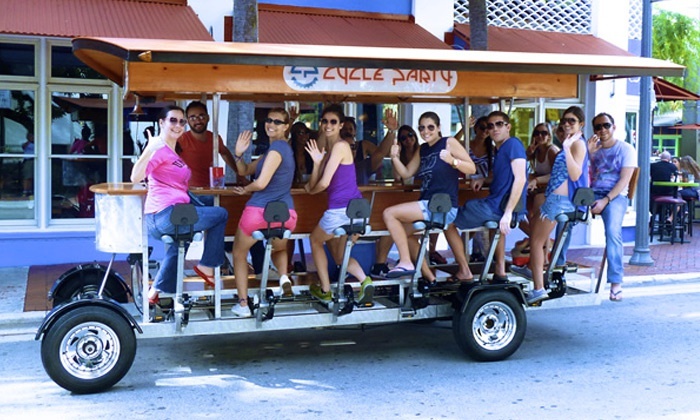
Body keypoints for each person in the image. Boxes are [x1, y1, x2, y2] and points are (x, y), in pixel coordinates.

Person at [130, 105, 228, 304]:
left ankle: (156, 289)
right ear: (161, 123)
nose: (178, 125)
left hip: (169, 215)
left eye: (182, 121)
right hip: (166, 215)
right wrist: (149, 147)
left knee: (182, 240)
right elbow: (135, 177)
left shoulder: (173, 153)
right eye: (173, 120)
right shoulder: (159, 150)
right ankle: (208, 265)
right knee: (221, 214)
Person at [383, 111, 475, 284]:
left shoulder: (448, 143)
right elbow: (406, 173)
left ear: (439, 127)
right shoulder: (423, 149)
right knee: (404, 232)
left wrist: (453, 162)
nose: (426, 131)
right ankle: (429, 276)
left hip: (441, 206)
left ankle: (405, 262)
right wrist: (394, 157)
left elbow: (472, 168)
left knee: (389, 213)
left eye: (430, 127)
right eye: (422, 128)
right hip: (428, 204)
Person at [228, 108, 297, 317]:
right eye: (269, 120)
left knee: (239, 254)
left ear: (286, 127)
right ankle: (284, 276)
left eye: (277, 122)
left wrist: (245, 190)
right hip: (286, 216)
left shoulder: (276, 149)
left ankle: (242, 305)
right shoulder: (275, 150)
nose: (271, 124)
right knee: (279, 249)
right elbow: (244, 170)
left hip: (258, 213)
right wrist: (238, 154)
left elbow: (260, 183)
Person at [304, 104, 374, 304]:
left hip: (342, 209)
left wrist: (313, 188)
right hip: (353, 209)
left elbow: (321, 185)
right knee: (339, 256)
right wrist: (317, 164)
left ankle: (325, 289)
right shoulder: (328, 152)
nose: (328, 125)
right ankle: (365, 281)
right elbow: (312, 184)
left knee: (315, 240)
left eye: (333, 122)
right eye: (325, 121)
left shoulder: (341, 146)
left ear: (341, 124)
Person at [447, 111, 527, 284]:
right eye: (490, 126)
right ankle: (500, 271)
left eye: (499, 124)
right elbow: (504, 177)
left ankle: (464, 270)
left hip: (497, 208)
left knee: (448, 221)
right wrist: (484, 179)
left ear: (508, 127)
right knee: (494, 226)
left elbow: (520, 178)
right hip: (498, 207)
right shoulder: (500, 149)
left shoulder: (513, 144)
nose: (494, 128)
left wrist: (508, 213)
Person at [525, 107, 588, 304]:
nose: (566, 124)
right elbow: (558, 174)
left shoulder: (575, 145)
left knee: (536, 241)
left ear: (581, 125)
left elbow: (575, 174)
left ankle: (538, 288)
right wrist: (538, 179)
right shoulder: (569, 145)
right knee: (537, 237)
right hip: (555, 199)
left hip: (559, 202)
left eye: (572, 121)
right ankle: (534, 274)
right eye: (564, 121)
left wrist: (567, 148)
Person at [587, 112, 637, 302]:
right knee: (561, 215)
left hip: (614, 197)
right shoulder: (594, 150)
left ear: (614, 127)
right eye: (598, 127)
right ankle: (557, 268)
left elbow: (625, 180)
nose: (602, 130)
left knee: (613, 231)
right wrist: (588, 153)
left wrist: (605, 200)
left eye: (606, 125)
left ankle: (616, 282)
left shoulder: (625, 149)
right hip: (592, 194)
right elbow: (581, 175)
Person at [371, 125, 420, 277]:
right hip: (406, 196)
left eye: (410, 135)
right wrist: (395, 158)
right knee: (392, 225)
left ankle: (420, 267)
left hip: (421, 198)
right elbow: (399, 178)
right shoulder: (398, 156)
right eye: (403, 138)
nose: (408, 140)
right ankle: (381, 264)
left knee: (409, 230)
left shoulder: (423, 151)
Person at [178, 101, 237, 190]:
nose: (197, 121)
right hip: (187, 191)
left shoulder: (214, 138)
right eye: (192, 118)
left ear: (208, 118)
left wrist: (239, 174)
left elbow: (225, 153)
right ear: (187, 121)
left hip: (210, 190)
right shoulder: (181, 139)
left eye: (201, 116)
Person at [520, 123, 559, 238]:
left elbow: (555, 175)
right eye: (537, 133)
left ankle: (540, 241)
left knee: (536, 218)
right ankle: (538, 240)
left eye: (544, 133)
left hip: (548, 191)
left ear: (549, 136)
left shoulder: (552, 151)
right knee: (520, 212)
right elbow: (521, 164)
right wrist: (528, 153)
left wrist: (536, 179)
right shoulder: (536, 151)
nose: (540, 136)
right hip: (537, 189)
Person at [339, 109, 397, 185]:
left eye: (353, 147)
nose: (348, 131)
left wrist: (391, 131)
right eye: (344, 129)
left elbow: (381, 153)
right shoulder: (332, 164)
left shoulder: (363, 166)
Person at [21, 131, 35, 197]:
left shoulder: (38, 143)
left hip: (35, 160)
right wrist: (29, 141)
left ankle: (31, 190)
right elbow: (23, 147)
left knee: (33, 177)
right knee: (27, 176)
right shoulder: (27, 144)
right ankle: (25, 191)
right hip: (28, 160)